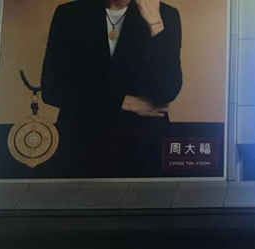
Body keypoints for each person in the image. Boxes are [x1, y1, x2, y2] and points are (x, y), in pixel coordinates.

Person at [41, 0, 183, 178]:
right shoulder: (69, 15)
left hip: (143, 148)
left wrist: (155, 25)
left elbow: (166, 91)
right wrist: (124, 102)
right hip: (80, 145)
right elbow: (52, 89)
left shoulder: (166, 15)